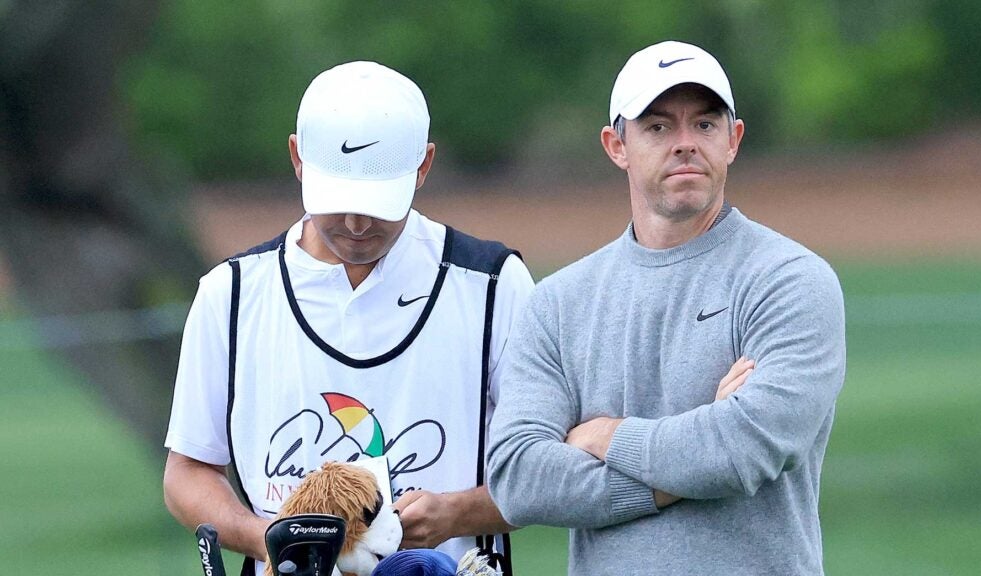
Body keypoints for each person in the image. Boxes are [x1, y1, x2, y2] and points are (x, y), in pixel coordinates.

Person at [486, 41, 846, 575]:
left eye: (704, 125)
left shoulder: (789, 281)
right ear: (617, 145)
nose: (685, 144)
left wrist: (606, 436)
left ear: (733, 140)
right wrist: (683, 468)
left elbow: (743, 451)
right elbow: (519, 480)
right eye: (657, 127)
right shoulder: (558, 303)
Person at [164, 61, 533, 576]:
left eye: (379, 202)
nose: (357, 223)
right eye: (337, 200)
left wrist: (457, 514)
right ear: (297, 157)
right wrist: (273, 542)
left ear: (424, 166)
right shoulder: (231, 292)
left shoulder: (493, 284)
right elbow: (188, 471)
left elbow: (546, 468)